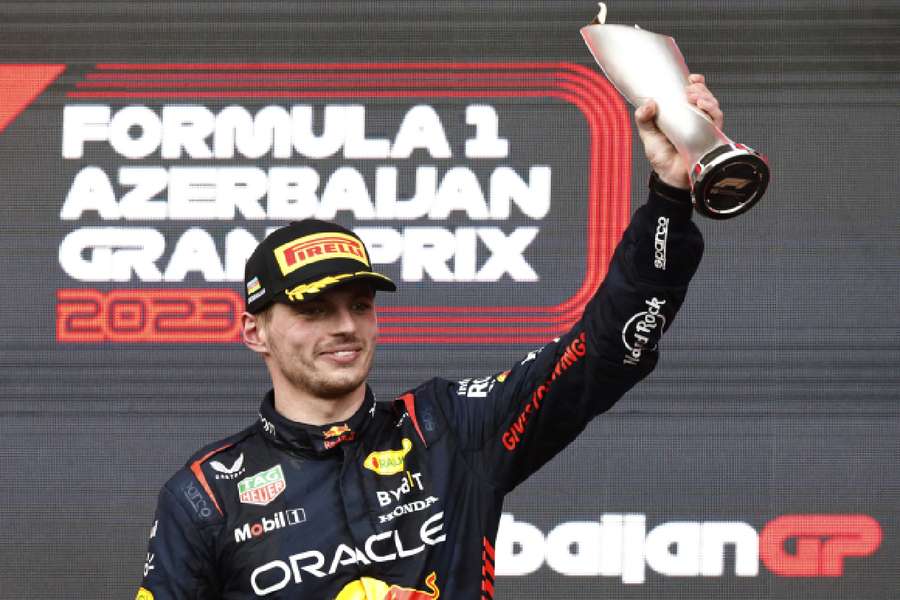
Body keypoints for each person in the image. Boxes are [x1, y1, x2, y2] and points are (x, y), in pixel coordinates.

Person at [135, 74, 721, 599]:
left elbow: (602, 349)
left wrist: (669, 197)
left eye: (359, 305)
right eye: (313, 311)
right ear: (253, 331)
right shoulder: (206, 494)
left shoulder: (447, 429)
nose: (344, 326)